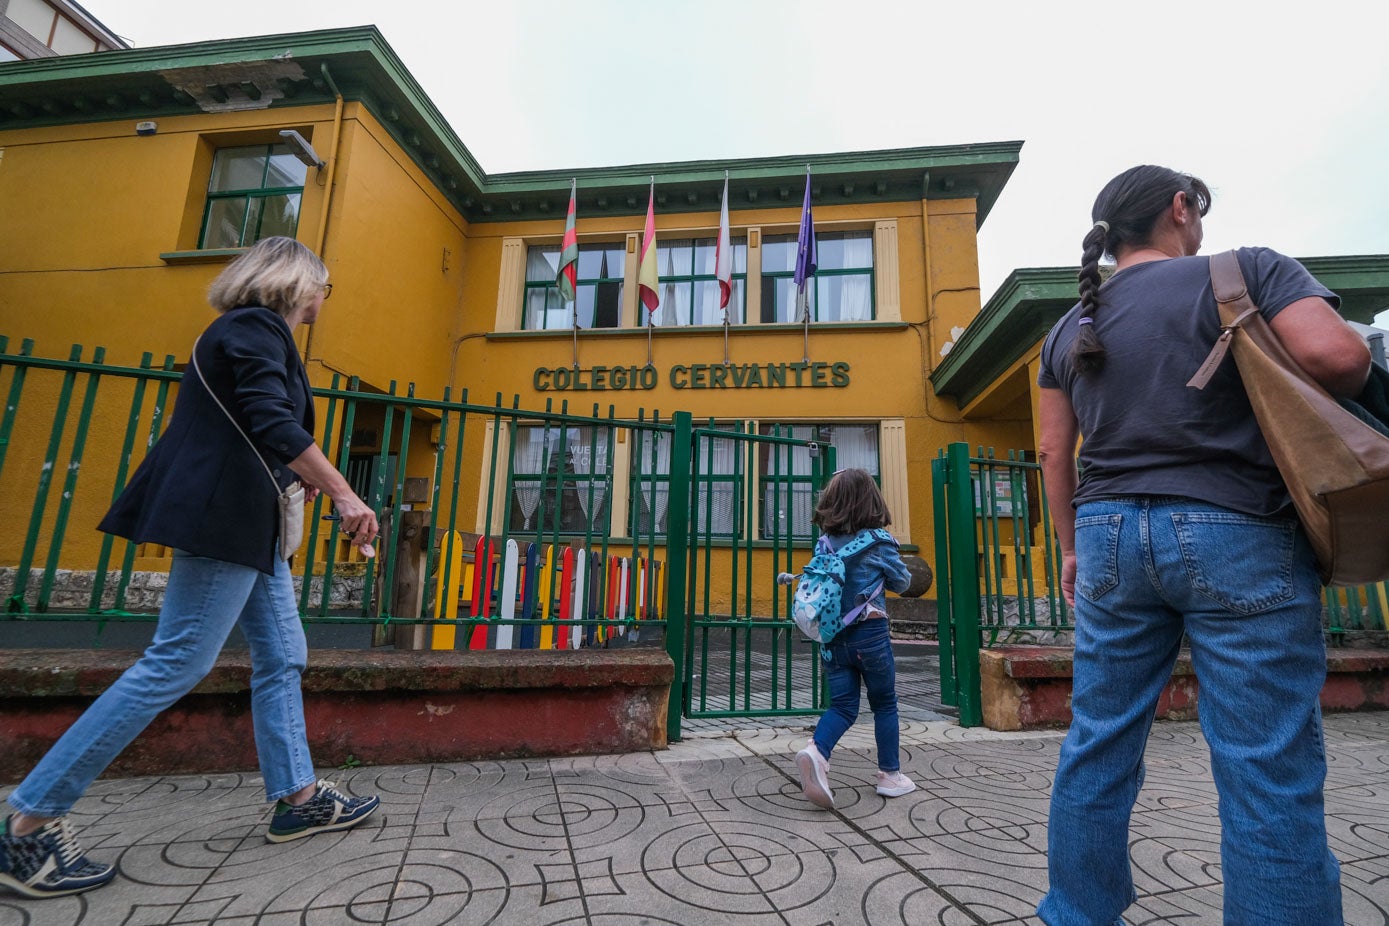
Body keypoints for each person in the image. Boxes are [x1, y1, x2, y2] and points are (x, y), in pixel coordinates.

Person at [0, 237, 385, 899]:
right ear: (296, 282)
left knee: (283, 654)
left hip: (250, 524)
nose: (325, 297)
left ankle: (298, 799)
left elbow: (260, 424)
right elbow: (271, 420)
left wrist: (310, 483)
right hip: (223, 520)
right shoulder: (253, 328)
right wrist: (345, 491)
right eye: (324, 284)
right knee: (176, 660)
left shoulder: (250, 334)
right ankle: (28, 824)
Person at [1035, 166, 1369, 925]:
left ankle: (1076, 915)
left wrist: (1069, 549)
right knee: (1263, 766)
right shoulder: (1244, 270)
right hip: (1237, 527)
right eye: (1197, 213)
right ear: (1179, 209)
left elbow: (1055, 455)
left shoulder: (1066, 328)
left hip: (1106, 535)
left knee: (1096, 742)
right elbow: (1341, 362)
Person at [792, 468, 914, 809]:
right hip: (870, 634)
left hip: (832, 636)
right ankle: (890, 775)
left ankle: (816, 751)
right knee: (884, 704)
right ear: (871, 501)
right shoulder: (878, 541)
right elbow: (902, 583)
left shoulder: (824, 543)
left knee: (843, 706)